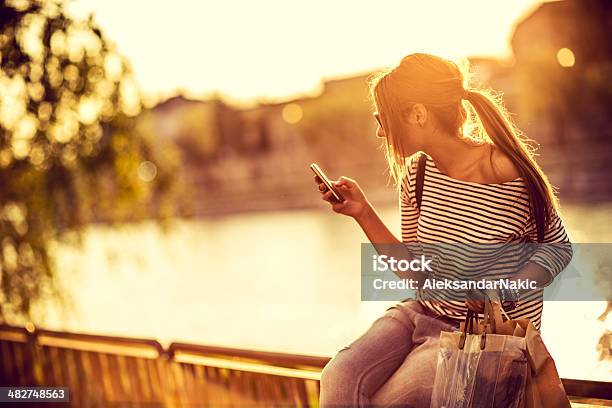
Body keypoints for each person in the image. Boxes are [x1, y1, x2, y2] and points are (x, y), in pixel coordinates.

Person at [313, 53, 572, 407]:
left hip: (478, 335)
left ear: (418, 114)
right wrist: (362, 212)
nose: (379, 130)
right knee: (338, 377)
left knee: (389, 403)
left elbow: (558, 248)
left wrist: (508, 286)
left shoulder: (508, 173)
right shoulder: (417, 176)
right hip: (420, 312)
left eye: (382, 118)